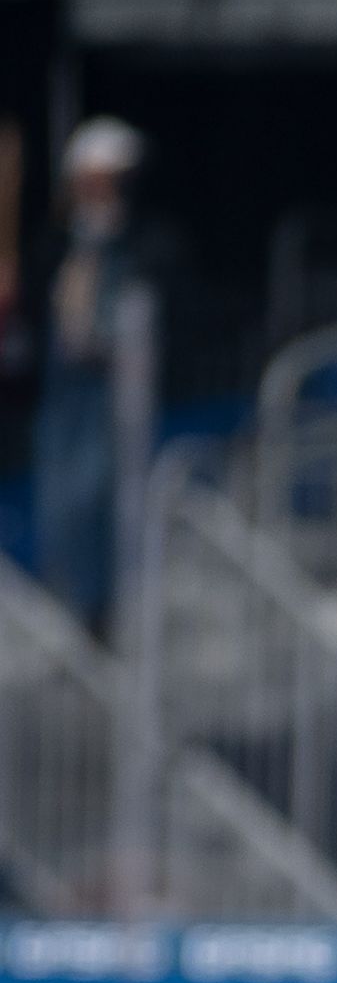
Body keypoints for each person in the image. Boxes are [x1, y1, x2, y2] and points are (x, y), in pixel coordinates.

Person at [26, 118, 180, 638]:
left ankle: (103, 606)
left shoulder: (147, 242)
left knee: (105, 489)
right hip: (65, 386)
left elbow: (163, 302)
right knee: (61, 491)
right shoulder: (57, 243)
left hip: (117, 387)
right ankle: (68, 599)